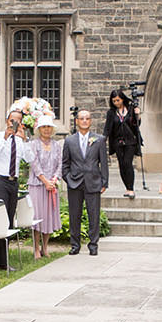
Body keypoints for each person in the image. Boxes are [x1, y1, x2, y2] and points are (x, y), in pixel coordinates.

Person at [0, 110, 26, 269]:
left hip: (12, 182)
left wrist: (25, 139)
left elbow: (29, 159)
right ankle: (1, 261)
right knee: (0, 219)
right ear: (7, 120)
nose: (14, 123)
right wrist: (5, 137)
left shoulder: (20, 141)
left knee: (8, 221)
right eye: (12, 120)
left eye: (18, 121)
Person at [64, 109, 107, 255]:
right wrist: (68, 178)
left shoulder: (99, 139)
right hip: (75, 182)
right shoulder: (69, 141)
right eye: (81, 118)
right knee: (74, 215)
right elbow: (65, 163)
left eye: (87, 118)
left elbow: (104, 162)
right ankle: (75, 245)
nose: (84, 121)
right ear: (76, 121)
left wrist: (104, 182)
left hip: (93, 182)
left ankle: (93, 245)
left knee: (93, 215)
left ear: (90, 121)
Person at [21, 118, 64, 259]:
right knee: (37, 217)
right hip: (37, 185)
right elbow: (34, 164)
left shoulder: (57, 145)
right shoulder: (34, 144)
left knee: (48, 217)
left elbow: (60, 164)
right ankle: (36, 249)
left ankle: (45, 247)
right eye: (44, 127)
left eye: (49, 127)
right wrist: (45, 181)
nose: (46, 129)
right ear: (39, 129)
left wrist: (54, 180)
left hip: (51, 186)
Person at [104, 88, 142, 197]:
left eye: (118, 100)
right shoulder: (111, 113)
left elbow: (137, 124)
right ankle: (127, 187)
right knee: (121, 164)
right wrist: (103, 138)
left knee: (127, 163)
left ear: (122, 99)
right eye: (114, 101)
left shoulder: (130, 109)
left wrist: (137, 115)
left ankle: (131, 188)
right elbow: (107, 128)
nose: (116, 103)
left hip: (130, 141)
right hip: (117, 141)